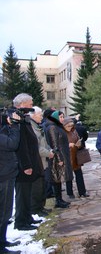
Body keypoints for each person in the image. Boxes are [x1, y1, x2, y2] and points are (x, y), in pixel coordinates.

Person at [13, 93, 44, 231]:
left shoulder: (24, 118)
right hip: (23, 167)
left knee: (28, 194)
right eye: (30, 104)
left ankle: (27, 218)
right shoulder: (16, 119)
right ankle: (21, 222)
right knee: (22, 196)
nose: (32, 106)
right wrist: (26, 165)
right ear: (21, 105)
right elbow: (21, 145)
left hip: (31, 162)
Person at [0, 111, 21, 252]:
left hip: (6, 173)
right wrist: (14, 126)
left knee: (6, 211)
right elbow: (12, 144)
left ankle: (3, 240)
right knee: (4, 212)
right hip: (4, 175)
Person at [46, 110, 74, 208]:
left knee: (58, 179)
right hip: (57, 157)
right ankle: (58, 201)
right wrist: (59, 159)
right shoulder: (53, 127)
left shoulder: (57, 126)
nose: (62, 119)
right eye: (61, 117)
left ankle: (60, 199)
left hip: (62, 155)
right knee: (56, 178)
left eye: (63, 117)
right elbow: (54, 144)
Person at [29, 106, 53, 217]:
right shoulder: (32, 127)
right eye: (40, 115)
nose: (42, 117)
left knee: (43, 186)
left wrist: (49, 150)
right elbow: (36, 147)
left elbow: (44, 142)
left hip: (43, 161)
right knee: (37, 188)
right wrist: (49, 153)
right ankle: (36, 209)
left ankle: (41, 207)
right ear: (33, 115)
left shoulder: (37, 126)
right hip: (38, 161)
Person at [63, 117, 89, 198]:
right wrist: (68, 145)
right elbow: (60, 145)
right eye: (68, 126)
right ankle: (70, 193)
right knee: (69, 176)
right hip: (67, 156)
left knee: (79, 175)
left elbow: (79, 140)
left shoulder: (74, 131)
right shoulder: (62, 133)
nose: (70, 127)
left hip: (75, 155)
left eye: (71, 126)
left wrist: (79, 144)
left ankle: (82, 191)